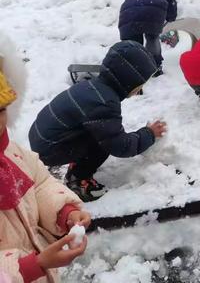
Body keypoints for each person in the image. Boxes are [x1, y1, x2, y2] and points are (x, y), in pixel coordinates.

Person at [29, 41, 168, 202]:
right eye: (139, 85)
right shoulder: (104, 103)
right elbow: (120, 146)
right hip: (50, 148)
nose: (139, 90)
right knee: (103, 143)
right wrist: (149, 134)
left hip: (42, 138)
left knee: (101, 132)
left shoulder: (93, 87)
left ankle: (77, 164)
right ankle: (79, 181)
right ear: (128, 80)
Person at [0, 42, 90, 282]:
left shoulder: (9, 151)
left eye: (0, 110)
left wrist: (65, 212)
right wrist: (31, 266)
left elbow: (38, 183)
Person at [119, 0, 177, 74]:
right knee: (152, 37)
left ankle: (135, 68)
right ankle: (154, 67)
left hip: (128, 13)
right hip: (153, 9)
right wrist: (171, 16)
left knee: (133, 43)